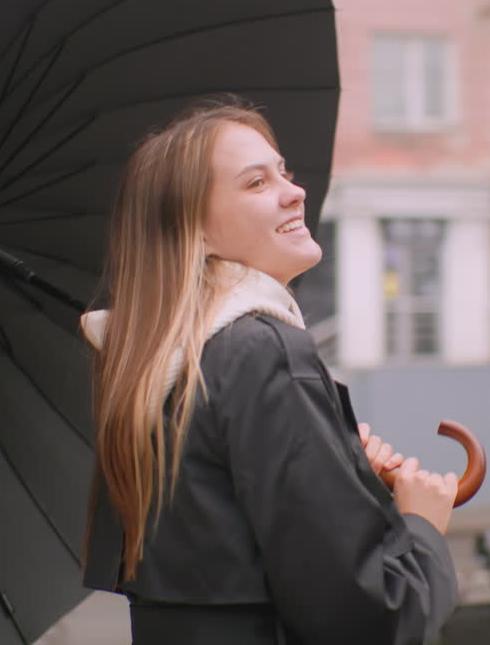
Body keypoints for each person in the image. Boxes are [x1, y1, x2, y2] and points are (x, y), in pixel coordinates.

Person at [79, 100, 460, 644]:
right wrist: (421, 527)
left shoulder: (155, 371)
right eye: (256, 183)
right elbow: (364, 619)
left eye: (284, 172)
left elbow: (231, 538)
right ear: (197, 233)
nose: (294, 191)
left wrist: (344, 473)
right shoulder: (262, 352)